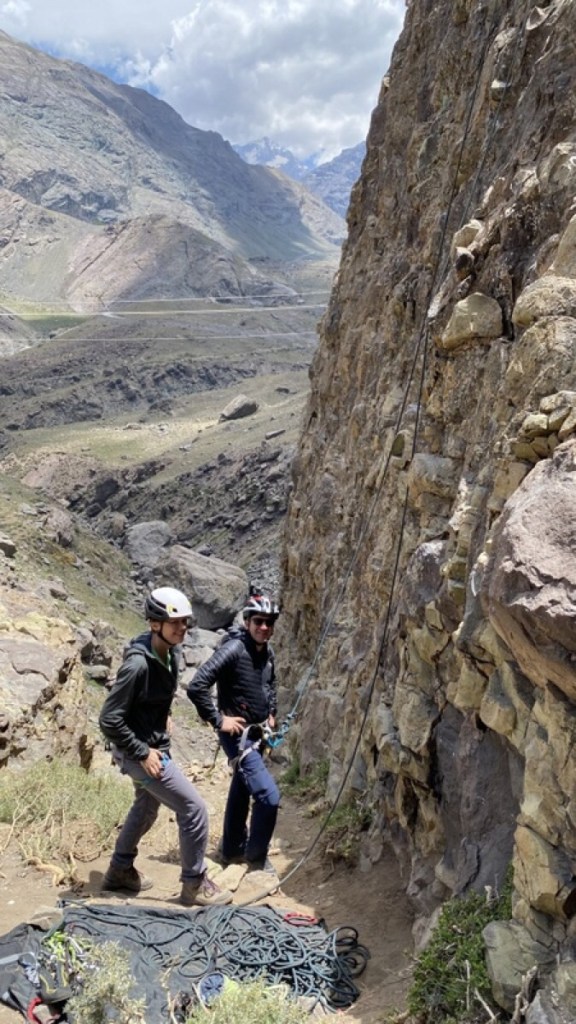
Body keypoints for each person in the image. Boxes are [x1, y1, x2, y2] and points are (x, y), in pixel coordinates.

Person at [99, 586, 232, 907]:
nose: (182, 628)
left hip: (149, 744)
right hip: (139, 751)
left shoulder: (169, 653)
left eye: (185, 622)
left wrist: (163, 715)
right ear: (155, 623)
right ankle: (194, 884)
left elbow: (152, 696)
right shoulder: (137, 665)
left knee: (146, 807)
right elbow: (108, 719)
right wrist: (142, 752)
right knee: (193, 809)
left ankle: (119, 870)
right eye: (175, 623)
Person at [187, 591, 281, 873]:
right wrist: (218, 720)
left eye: (269, 622)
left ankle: (231, 850)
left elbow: (269, 685)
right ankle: (257, 858)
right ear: (247, 622)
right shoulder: (234, 650)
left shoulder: (267, 652)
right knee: (268, 796)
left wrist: (271, 713)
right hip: (238, 737)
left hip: (257, 734)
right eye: (258, 621)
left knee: (241, 787)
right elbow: (197, 685)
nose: (264, 627)